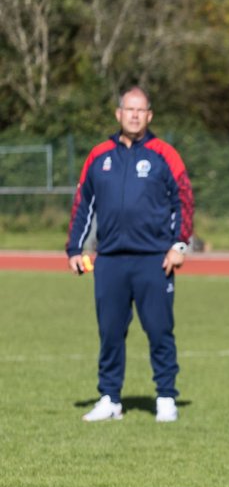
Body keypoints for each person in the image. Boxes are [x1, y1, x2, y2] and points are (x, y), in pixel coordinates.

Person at [66, 85, 194, 423]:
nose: (134, 116)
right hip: (109, 260)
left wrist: (179, 245)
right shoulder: (98, 156)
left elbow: (184, 200)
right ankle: (110, 398)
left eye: (141, 110)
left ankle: (166, 397)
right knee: (109, 332)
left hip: (154, 259)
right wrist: (75, 249)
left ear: (149, 115)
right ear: (118, 114)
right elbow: (83, 205)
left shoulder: (166, 154)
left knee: (159, 330)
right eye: (129, 109)